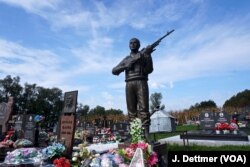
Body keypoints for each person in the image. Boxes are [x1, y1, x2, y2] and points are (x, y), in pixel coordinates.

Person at [112, 38, 153, 142]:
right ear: (128, 45)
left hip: (141, 82)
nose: (133, 44)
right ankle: (135, 134)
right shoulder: (126, 59)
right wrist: (126, 66)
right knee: (131, 111)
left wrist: (148, 55)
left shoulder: (144, 55)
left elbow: (149, 69)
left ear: (139, 45)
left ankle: (147, 134)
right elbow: (114, 70)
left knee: (144, 109)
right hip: (129, 84)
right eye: (130, 43)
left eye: (135, 43)